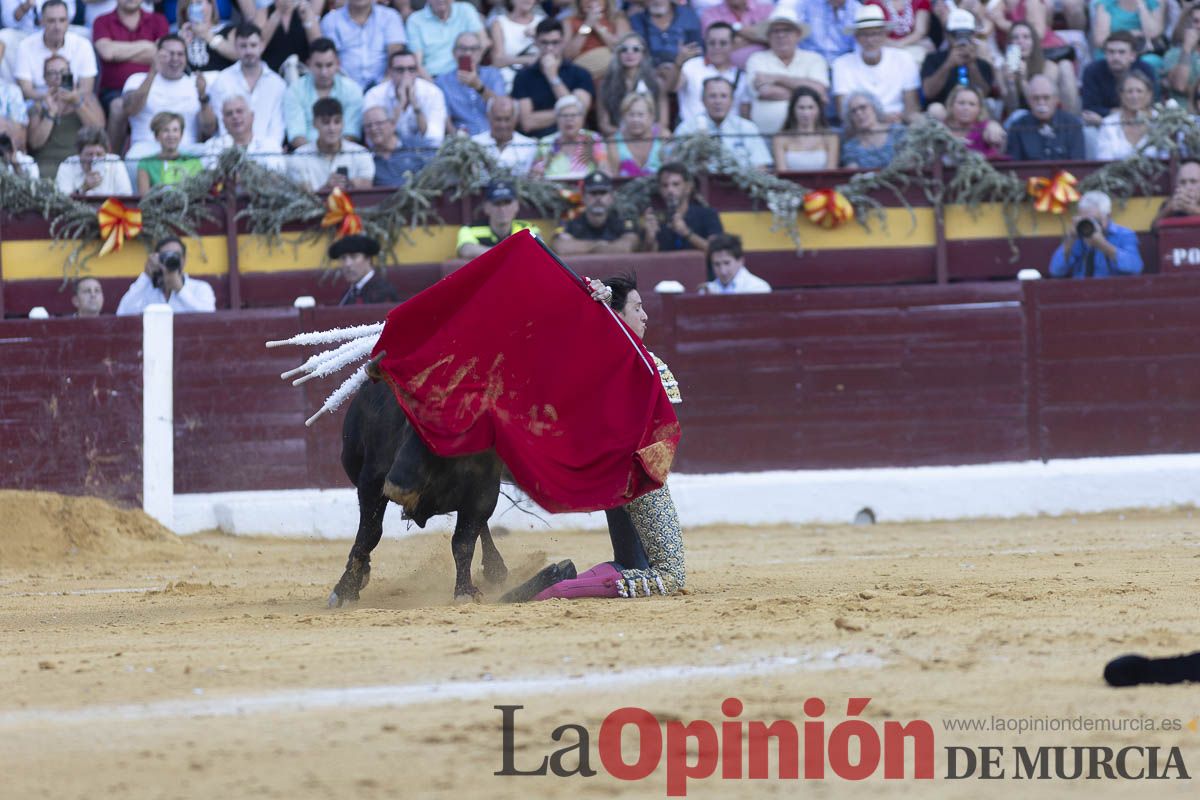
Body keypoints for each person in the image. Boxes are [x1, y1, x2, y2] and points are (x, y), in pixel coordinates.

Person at [506, 272, 685, 602]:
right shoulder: (627, 358)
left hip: (618, 478)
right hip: (641, 478)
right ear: (616, 315)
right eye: (637, 308)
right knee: (669, 576)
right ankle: (554, 591)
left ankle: (556, 581)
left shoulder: (613, 358)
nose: (645, 316)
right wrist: (593, 306)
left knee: (633, 564)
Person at [93, 0, 169, 153]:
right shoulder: (102, 21)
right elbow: (107, 52)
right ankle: (111, 159)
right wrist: (148, 46)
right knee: (118, 106)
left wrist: (119, 53)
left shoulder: (159, 20)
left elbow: (162, 55)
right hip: (115, 91)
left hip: (153, 87)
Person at [121, 35, 206, 165]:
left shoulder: (196, 83)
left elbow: (209, 129)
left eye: (180, 54)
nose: (175, 59)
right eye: (170, 54)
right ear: (157, 55)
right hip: (146, 150)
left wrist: (203, 96)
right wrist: (152, 73)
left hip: (186, 150)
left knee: (213, 154)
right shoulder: (137, 79)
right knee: (132, 158)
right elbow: (130, 109)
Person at [743, 10, 827, 135]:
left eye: (787, 30)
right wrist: (808, 95)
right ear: (768, 36)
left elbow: (819, 90)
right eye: (775, 31)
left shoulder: (814, 59)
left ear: (798, 34)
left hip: (807, 138)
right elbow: (766, 92)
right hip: (765, 135)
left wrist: (777, 78)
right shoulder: (756, 59)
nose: (781, 35)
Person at [832, 4, 921, 121]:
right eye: (864, 34)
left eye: (875, 33)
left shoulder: (904, 59)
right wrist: (881, 119)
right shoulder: (842, 64)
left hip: (899, 123)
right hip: (861, 125)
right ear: (856, 37)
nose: (870, 40)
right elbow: (843, 112)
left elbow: (911, 106)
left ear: (885, 35)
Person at [204, 24, 287, 146]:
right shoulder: (222, 80)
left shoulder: (277, 83)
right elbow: (222, 124)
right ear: (235, 47)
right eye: (243, 46)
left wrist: (269, 150)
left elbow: (277, 127)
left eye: (253, 45)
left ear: (262, 46)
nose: (248, 51)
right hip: (230, 151)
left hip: (268, 151)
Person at [512, 18, 595, 139]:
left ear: (563, 42)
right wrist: (566, 114)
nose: (549, 48)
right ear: (536, 42)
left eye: (555, 42)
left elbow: (579, 115)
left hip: (574, 141)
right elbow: (527, 123)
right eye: (544, 42)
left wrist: (553, 77)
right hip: (536, 141)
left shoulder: (580, 74)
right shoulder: (523, 76)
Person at [28, 54, 106, 180]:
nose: (58, 76)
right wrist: (51, 113)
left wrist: (77, 103)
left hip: (79, 164)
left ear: (71, 75)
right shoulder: (38, 107)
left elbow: (99, 131)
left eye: (63, 72)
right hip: (47, 165)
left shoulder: (87, 99)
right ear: (45, 78)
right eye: (52, 73)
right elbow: (35, 143)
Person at [673, 75, 772, 169]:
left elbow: (761, 165)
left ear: (732, 100)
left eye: (723, 96)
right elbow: (675, 164)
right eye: (712, 96)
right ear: (702, 100)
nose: (718, 101)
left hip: (741, 180)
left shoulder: (747, 128)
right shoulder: (687, 128)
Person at [284, 37, 364, 149]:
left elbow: (351, 133)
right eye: (318, 65)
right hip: (306, 154)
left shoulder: (352, 90)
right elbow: (296, 135)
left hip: (344, 152)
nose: (324, 72)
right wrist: (315, 154)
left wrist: (333, 153)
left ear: (338, 64)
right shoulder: (295, 90)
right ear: (309, 64)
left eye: (329, 65)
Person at [363, 46, 447, 152]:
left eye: (411, 69)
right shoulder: (374, 95)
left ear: (417, 71)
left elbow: (435, 138)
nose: (406, 75)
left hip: (425, 154)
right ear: (390, 72)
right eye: (400, 70)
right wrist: (400, 105)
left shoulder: (433, 93)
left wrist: (415, 105)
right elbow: (374, 139)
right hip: (388, 153)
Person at [14, 0, 98, 101]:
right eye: (51, 21)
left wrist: (69, 98)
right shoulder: (25, 46)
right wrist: (48, 98)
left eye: (62, 20)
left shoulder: (83, 45)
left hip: (73, 102)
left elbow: (86, 89)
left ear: (68, 22)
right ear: (41, 22)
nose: (57, 27)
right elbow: (26, 90)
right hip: (40, 102)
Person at [1048, 190, 1144, 278]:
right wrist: (1070, 239)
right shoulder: (1078, 236)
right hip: (1080, 289)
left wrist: (1103, 245)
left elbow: (1135, 268)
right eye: (1085, 220)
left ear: (1108, 216)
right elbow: (1056, 271)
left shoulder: (1123, 235)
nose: (1090, 225)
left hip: (1114, 289)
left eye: (1095, 220)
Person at [287, 97, 375, 191]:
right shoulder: (299, 156)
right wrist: (327, 188)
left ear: (343, 123)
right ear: (314, 123)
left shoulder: (361, 153)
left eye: (337, 122)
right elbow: (302, 196)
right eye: (326, 122)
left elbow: (367, 187)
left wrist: (349, 182)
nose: (332, 128)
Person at [116, 236, 217, 315]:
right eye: (166, 255)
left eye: (176, 255)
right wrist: (146, 275)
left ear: (184, 259)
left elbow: (209, 316)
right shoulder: (146, 290)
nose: (170, 259)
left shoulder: (200, 288)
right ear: (157, 258)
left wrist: (180, 289)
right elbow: (122, 312)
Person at [919, 8, 998, 109]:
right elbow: (928, 92)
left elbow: (983, 94)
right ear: (947, 35)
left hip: (973, 112)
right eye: (956, 34)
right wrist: (948, 64)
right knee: (935, 109)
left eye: (966, 34)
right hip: (943, 112)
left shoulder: (982, 64)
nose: (961, 39)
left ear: (973, 35)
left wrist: (971, 64)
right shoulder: (933, 59)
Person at [319, 0, 408, 89]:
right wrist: (349, 88)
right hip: (343, 86)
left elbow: (396, 56)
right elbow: (329, 59)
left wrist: (381, 88)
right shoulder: (330, 20)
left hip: (385, 86)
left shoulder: (390, 16)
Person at [641, 162, 723, 253]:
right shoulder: (656, 219)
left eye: (675, 184)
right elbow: (650, 259)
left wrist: (686, 233)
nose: (670, 190)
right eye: (665, 185)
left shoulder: (708, 215)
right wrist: (650, 239)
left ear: (688, 187)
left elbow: (717, 251)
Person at [597, 32, 668, 136]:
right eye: (624, 49)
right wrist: (627, 136)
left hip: (650, 137)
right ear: (618, 54)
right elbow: (604, 124)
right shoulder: (606, 84)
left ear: (643, 53)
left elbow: (663, 122)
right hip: (619, 137)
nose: (630, 53)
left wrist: (645, 135)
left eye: (636, 49)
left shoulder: (656, 82)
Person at [552, 170, 639, 254]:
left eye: (603, 193)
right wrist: (597, 245)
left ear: (611, 197)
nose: (598, 198)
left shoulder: (621, 221)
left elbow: (628, 246)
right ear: (583, 197)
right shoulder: (571, 222)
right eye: (593, 193)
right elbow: (560, 247)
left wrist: (581, 246)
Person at [1080, 31, 1156, 126]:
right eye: (1111, 52)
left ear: (1133, 56)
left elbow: (1152, 104)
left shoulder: (1145, 70)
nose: (1116, 57)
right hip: (1099, 124)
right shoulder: (1092, 71)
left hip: (1140, 121)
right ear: (1105, 54)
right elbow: (1089, 109)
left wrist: (1115, 114)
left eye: (1121, 52)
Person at [675, 21, 743, 126]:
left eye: (723, 43)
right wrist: (677, 64)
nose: (717, 47)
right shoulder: (691, 66)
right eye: (712, 43)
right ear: (705, 43)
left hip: (729, 133)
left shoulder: (742, 76)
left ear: (733, 45)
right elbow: (672, 87)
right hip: (691, 132)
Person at [435, 31, 504, 135]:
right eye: (463, 49)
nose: (468, 53)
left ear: (480, 53)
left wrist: (479, 87)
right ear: (454, 53)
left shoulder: (493, 74)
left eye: (473, 49)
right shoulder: (443, 82)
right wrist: (457, 141)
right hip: (463, 138)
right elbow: (445, 119)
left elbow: (502, 108)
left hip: (493, 135)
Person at [1004, 74, 1085, 160]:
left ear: (1056, 99)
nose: (1041, 103)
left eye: (1046, 98)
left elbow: (1077, 162)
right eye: (1036, 98)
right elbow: (1014, 165)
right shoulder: (1017, 127)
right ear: (1028, 101)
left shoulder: (1073, 125)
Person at [530, 93, 607, 180]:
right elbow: (534, 176)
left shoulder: (593, 138)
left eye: (574, 115)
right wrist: (538, 172)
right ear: (557, 119)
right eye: (564, 116)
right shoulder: (546, 142)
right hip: (553, 187)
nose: (569, 120)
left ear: (582, 118)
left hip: (586, 186)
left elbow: (604, 170)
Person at [628, 0, 703, 88]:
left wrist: (680, 61)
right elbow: (638, 50)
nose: (657, 1)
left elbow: (696, 50)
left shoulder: (687, 16)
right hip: (650, 72)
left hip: (684, 72)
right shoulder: (637, 20)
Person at [456, 179, 540, 257]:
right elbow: (466, 250)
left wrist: (496, 253)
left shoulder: (528, 228)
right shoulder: (470, 229)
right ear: (486, 207)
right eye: (497, 203)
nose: (502, 209)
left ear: (516, 205)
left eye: (507, 203)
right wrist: (508, 253)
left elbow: (539, 248)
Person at [201, 94, 286, 171]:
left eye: (239, 111)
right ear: (223, 121)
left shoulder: (270, 146)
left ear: (252, 116)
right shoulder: (213, 147)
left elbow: (277, 176)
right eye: (229, 114)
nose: (235, 116)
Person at [404, 0, 488, 78]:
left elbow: (484, 42)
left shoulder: (465, 10)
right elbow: (417, 63)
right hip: (434, 77)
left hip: (466, 73)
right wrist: (433, 85)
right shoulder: (415, 20)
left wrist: (471, 67)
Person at [1095, 71, 1157, 161]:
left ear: (1149, 95)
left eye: (1139, 91)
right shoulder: (1108, 124)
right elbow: (1103, 161)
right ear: (1121, 95)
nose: (1134, 96)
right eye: (1129, 91)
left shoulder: (1161, 122)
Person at [563, 0, 630, 83]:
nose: (591, 1)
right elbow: (568, 55)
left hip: (613, 73)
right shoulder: (569, 21)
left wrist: (596, 25)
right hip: (584, 75)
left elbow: (621, 48)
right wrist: (587, 24)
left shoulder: (617, 18)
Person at [773, 86, 839, 170]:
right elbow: (782, 173)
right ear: (793, 110)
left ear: (818, 109)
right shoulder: (780, 139)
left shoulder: (831, 137)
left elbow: (831, 172)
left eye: (811, 107)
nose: (806, 113)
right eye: (801, 108)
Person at [137, 111, 204, 193]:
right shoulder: (145, 163)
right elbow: (144, 198)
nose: (171, 135)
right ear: (156, 136)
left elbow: (200, 194)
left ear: (181, 135)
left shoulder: (194, 161)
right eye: (165, 130)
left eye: (175, 130)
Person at [55, 126, 132, 195]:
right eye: (89, 154)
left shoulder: (116, 163)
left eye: (99, 154)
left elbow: (126, 199)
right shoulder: (67, 165)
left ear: (106, 154)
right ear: (79, 154)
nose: (94, 159)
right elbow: (62, 202)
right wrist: (83, 188)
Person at [471, 95, 537, 175]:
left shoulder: (529, 146)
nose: (503, 125)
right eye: (498, 119)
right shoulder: (474, 143)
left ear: (516, 118)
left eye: (507, 119)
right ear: (489, 117)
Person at [839, 89, 906, 168]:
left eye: (863, 107)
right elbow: (852, 172)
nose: (859, 113)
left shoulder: (898, 132)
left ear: (874, 107)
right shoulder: (851, 147)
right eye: (853, 111)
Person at [364, 104, 428, 185]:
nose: (373, 128)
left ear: (392, 124)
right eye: (368, 126)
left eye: (379, 123)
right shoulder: (366, 159)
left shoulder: (416, 147)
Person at [489, 0, 545, 92]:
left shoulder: (542, 21)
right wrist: (528, 59)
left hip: (538, 77)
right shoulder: (499, 23)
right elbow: (497, 61)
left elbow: (550, 54)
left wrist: (536, 37)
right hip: (508, 79)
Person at [330, 233, 401, 305]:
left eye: (354, 257)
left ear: (368, 259)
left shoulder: (382, 292)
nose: (347, 264)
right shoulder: (348, 292)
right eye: (343, 258)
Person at [607, 92, 666, 177]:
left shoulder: (663, 137)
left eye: (640, 115)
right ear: (623, 117)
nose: (635, 120)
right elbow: (613, 177)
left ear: (651, 117)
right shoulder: (613, 142)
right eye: (631, 115)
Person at [701, 0, 773, 68]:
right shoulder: (710, 14)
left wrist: (734, 31)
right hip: (723, 72)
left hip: (765, 69)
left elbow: (772, 38)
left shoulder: (766, 9)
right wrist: (758, 38)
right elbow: (717, 44)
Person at [942, 84, 1006, 157]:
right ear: (951, 105)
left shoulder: (987, 127)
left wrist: (994, 128)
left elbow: (997, 136)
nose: (966, 108)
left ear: (979, 109)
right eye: (961, 103)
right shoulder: (941, 127)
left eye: (972, 104)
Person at [257, 0, 322, 73]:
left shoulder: (304, 11)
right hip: (271, 72)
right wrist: (278, 13)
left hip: (301, 72)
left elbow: (318, 46)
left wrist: (307, 21)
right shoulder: (263, 13)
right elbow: (258, 46)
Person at [1090, 0, 1164, 61]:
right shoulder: (1106, 3)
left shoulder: (1153, 2)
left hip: (1145, 52)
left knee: (1151, 61)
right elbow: (1100, 40)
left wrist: (1142, 6)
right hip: (1113, 52)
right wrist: (1133, 34)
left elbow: (1152, 33)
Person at [177, 0, 238, 73]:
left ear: (210, 5)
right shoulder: (178, 36)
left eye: (198, 3)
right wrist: (182, 45)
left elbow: (238, 56)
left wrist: (208, 36)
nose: (195, 8)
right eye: (190, 4)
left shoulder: (228, 31)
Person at [698, 233, 771, 293]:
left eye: (727, 263)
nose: (723, 271)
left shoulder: (758, 288)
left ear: (740, 261)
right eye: (717, 264)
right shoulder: (707, 290)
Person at [798, 0, 864, 65]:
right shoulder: (807, 4)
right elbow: (795, 30)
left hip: (843, 62)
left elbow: (858, 46)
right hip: (810, 59)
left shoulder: (857, 9)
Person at [1164, 4, 1200, 105]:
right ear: (1187, 25)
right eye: (1196, 21)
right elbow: (1180, 85)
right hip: (1183, 112)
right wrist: (1187, 48)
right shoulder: (1174, 54)